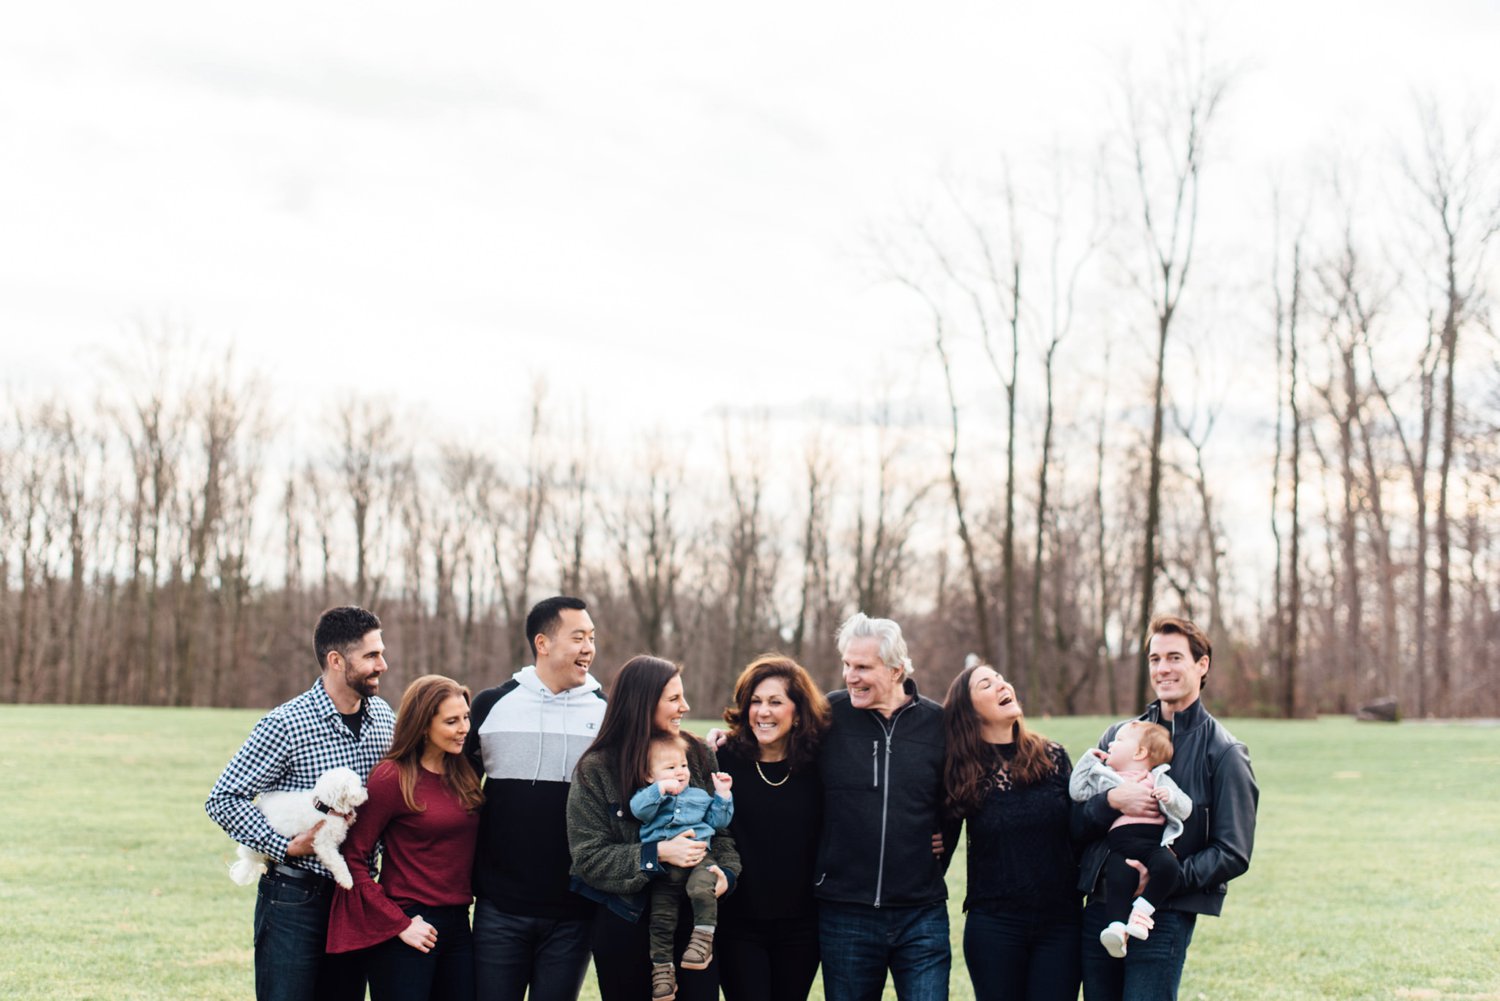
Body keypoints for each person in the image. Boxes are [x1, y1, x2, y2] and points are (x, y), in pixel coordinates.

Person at [205, 605, 396, 1001]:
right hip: (294, 899)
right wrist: (286, 846)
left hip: (355, 897)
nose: (383, 664)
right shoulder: (287, 723)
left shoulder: (383, 717)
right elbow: (223, 799)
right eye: (372, 655)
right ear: (336, 660)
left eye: (381, 653)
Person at [1075, 615, 1259, 1001]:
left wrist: (1165, 877)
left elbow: (1233, 851)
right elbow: (1076, 821)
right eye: (1155, 659)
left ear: (1201, 664)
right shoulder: (1118, 737)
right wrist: (1110, 802)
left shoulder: (1224, 753)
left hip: (1163, 914)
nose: (1163, 669)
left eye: (1174, 657)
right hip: (1101, 905)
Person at [565, 655, 741, 1001]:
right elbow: (587, 857)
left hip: (694, 925)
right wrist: (656, 854)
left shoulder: (698, 755)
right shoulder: (596, 768)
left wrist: (726, 874)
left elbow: (720, 834)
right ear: (643, 703)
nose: (685, 706)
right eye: (674, 698)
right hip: (625, 923)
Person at [465, 596, 605, 1001]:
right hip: (499, 909)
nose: (588, 648)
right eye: (577, 637)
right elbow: (455, 785)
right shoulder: (492, 706)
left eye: (592, 638)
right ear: (542, 643)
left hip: (574, 913)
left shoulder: (605, 712)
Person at [815, 613, 959, 1001]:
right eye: (847, 664)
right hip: (845, 912)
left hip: (921, 914)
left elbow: (953, 802)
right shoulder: (827, 715)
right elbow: (775, 744)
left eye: (862, 666)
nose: (850, 675)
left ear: (896, 670)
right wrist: (727, 740)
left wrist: (936, 850)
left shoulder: (937, 723)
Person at [327, 675, 483, 1001]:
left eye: (466, 717)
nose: (464, 728)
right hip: (408, 926)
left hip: (458, 923)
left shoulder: (464, 773)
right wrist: (399, 924)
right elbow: (353, 858)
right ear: (424, 725)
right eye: (452, 721)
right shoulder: (392, 777)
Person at [942, 662, 1082, 1001]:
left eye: (1001, 678)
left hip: (1061, 925)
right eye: (986, 684)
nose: (1002, 684)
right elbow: (937, 836)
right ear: (970, 711)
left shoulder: (1053, 757)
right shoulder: (961, 771)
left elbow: (1083, 828)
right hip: (994, 927)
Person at [714, 655, 831, 1001]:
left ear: (798, 711)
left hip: (802, 926)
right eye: (755, 701)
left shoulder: (820, 766)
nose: (763, 712)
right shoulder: (723, 760)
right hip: (737, 924)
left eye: (775, 702)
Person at [1069, 721, 1191, 959]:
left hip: (1151, 844)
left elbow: (1185, 808)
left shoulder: (1158, 778)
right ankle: (1116, 928)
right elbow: (1077, 792)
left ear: (1139, 752)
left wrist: (1170, 797)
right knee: (1118, 879)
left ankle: (1142, 913)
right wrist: (1088, 760)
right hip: (1120, 846)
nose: (1111, 743)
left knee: (1168, 866)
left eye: (1119, 740)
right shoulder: (1105, 777)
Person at [629, 734, 735, 998]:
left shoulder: (699, 795)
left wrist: (722, 795)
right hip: (665, 871)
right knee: (661, 919)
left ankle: (702, 940)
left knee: (703, 890)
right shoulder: (648, 796)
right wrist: (659, 790)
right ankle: (662, 970)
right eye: (670, 768)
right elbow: (638, 811)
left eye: (683, 766)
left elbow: (717, 821)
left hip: (700, 858)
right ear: (649, 776)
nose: (680, 772)